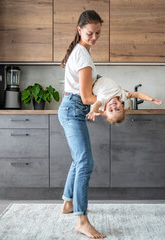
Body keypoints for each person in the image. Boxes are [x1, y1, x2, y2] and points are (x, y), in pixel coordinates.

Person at [58, 10, 106, 239]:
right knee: (85, 162)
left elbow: (85, 94)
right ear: (79, 30)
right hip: (74, 108)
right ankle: (81, 220)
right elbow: (87, 98)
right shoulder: (83, 55)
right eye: (90, 33)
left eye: (98, 33)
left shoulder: (82, 51)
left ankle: (68, 203)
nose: (94, 37)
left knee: (79, 160)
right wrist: (107, 103)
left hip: (71, 108)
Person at [86, 76, 163, 123]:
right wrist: (150, 99)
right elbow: (137, 94)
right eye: (117, 109)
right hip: (100, 77)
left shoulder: (104, 101)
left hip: (92, 81)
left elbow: (96, 105)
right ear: (122, 107)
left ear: (105, 110)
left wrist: (93, 112)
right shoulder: (123, 96)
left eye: (111, 110)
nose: (114, 107)